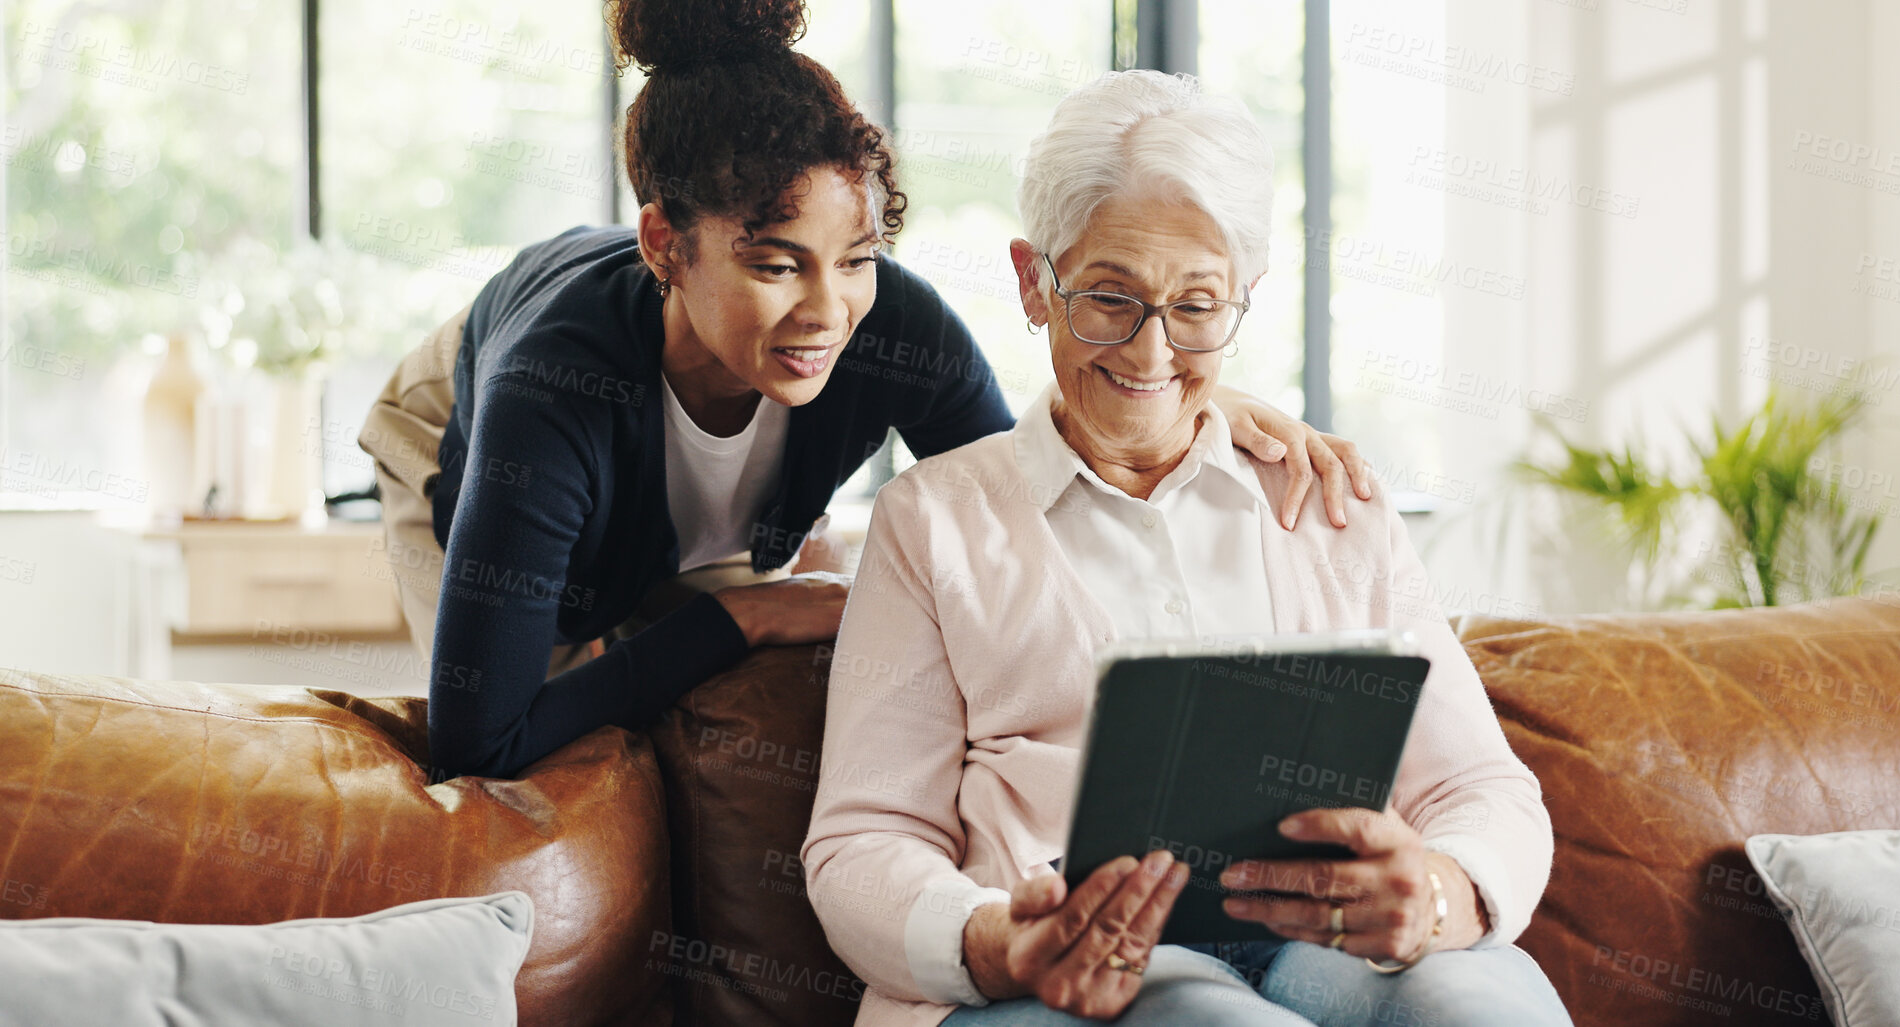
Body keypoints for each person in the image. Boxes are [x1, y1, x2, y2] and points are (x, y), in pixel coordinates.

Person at [357, 0, 1371, 782]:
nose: (826, 312)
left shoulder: (891, 327)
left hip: (655, 499)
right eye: (775, 264)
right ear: (665, 243)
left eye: (856, 258)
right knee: (528, 757)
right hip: (458, 422)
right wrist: (744, 618)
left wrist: (1186, 407)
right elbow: (480, 738)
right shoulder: (550, 392)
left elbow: (1019, 491)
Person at [800, 70, 1573, 1027]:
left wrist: (1443, 892)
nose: (1150, 353)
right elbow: (863, 840)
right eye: (1109, 298)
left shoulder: (1327, 500)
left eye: (1196, 306)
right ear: (1034, 282)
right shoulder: (932, 522)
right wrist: (997, 940)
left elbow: (1479, 785)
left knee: (1475, 1003)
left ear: (1244, 298)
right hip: (1053, 981)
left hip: (1317, 945)